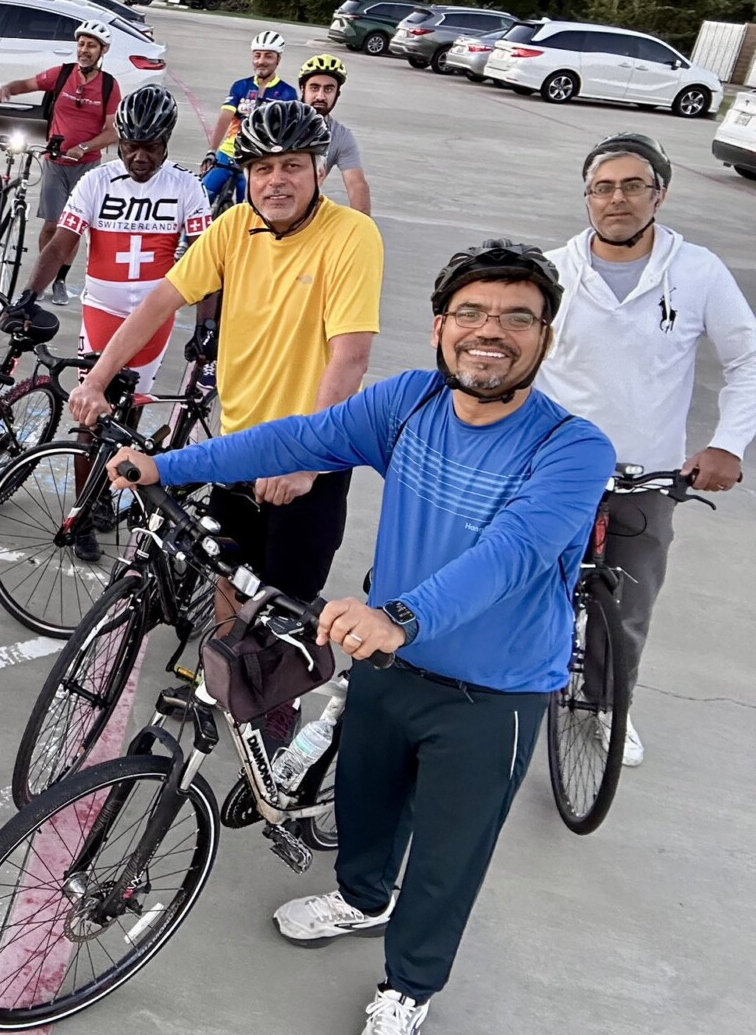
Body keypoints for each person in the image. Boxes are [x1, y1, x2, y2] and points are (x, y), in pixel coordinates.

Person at [112, 241, 614, 1035]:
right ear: (439, 327)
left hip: (496, 691)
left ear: (546, 338)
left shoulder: (573, 449)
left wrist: (402, 615)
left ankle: (410, 986)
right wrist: (168, 466)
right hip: (390, 662)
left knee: (449, 857)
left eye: (519, 318)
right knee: (369, 804)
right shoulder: (410, 404)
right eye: (472, 313)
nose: (493, 331)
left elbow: (514, 551)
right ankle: (359, 899)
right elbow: (295, 440)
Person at [70, 99, 380, 641]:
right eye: (262, 168)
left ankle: (268, 705)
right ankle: (219, 674)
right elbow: (159, 302)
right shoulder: (234, 225)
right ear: (245, 175)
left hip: (312, 452)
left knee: (285, 606)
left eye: (291, 166)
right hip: (238, 443)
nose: (276, 181)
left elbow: (350, 353)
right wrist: (96, 378)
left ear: (318, 170)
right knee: (227, 573)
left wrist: (305, 459)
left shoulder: (351, 235)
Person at [537, 132, 756, 766]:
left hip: (648, 476)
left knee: (626, 606)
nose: (618, 199)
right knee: (526, 589)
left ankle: (610, 708)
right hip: (555, 471)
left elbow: (745, 359)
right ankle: (513, 693)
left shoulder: (696, 271)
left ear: (660, 193)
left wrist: (726, 444)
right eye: (603, 187)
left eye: (634, 185)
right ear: (587, 198)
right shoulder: (554, 270)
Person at [4, 84, 209, 557]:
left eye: (151, 147)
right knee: (90, 413)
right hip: (102, 311)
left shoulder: (185, 186)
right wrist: (29, 294)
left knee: (130, 414)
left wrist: (206, 326)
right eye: (130, 145)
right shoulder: (96, 182)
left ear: (167, 142)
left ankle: (104, 494)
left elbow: (204, 262)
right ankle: (81, 516)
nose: (139, 156)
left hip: (155, 320)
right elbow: (61, 244)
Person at [0, 19, 123, 305]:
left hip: (86, 166)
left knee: (72, 227)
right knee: (52, 224)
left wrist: (85, 147)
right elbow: (29, 83)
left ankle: (61, 279)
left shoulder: (108, 86)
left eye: (91, 45)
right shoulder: (62, 75)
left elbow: (113, 130)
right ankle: (43, 276)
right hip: (54, 163)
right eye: (81, 44)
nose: (84, 50)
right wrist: (8, 89)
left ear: (103, 50)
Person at [202, 30, 297, 207]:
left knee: (249, 210)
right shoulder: (241, 86)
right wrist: (211, 151)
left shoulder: (287, 93)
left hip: (258, 160)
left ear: (278, 60)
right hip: (228, 154)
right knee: (198, 199)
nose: (261, 61)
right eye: (257, 55)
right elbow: (225, 118)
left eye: (268, 56)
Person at [298, 54, 371, 215]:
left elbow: (356, 184)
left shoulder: (341, 136)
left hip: (306, 214)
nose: (321, 96)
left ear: (337, 94)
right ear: (303, 89)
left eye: (329, 89)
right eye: (314, 87)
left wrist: (364, 231)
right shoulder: (277, 122)